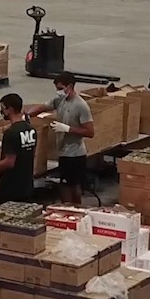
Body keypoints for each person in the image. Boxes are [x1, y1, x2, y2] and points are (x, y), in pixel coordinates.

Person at [38, 73, 95, 202]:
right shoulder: (60, 100)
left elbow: (90, 132)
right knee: (65, 185)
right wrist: (27, 115)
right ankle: (68, 210)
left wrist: (68, 129)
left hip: (75, 154)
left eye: (60, 88)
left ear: (69, 86)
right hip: (63, 152)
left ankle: (73, 210)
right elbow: (44, 107)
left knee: (72, 186)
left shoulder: (81, 106)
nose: (58, 92)